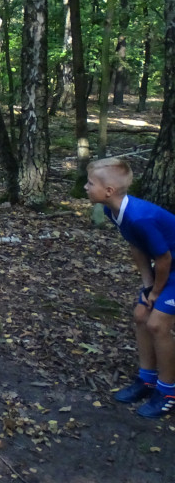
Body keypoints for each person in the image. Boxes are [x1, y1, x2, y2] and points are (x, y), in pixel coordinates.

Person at [87, 158, 175, 419]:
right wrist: (147, 288)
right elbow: (136, 246)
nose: (85, 187)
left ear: (109, 191)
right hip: (164, 271)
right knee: (141, 316)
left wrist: (156, 293)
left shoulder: (139, 217)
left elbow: (164, 259)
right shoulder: (112, 212)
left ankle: (168, 391)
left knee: (158, 324)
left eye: (90, 183)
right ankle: (146, 380)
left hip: (170, 267)